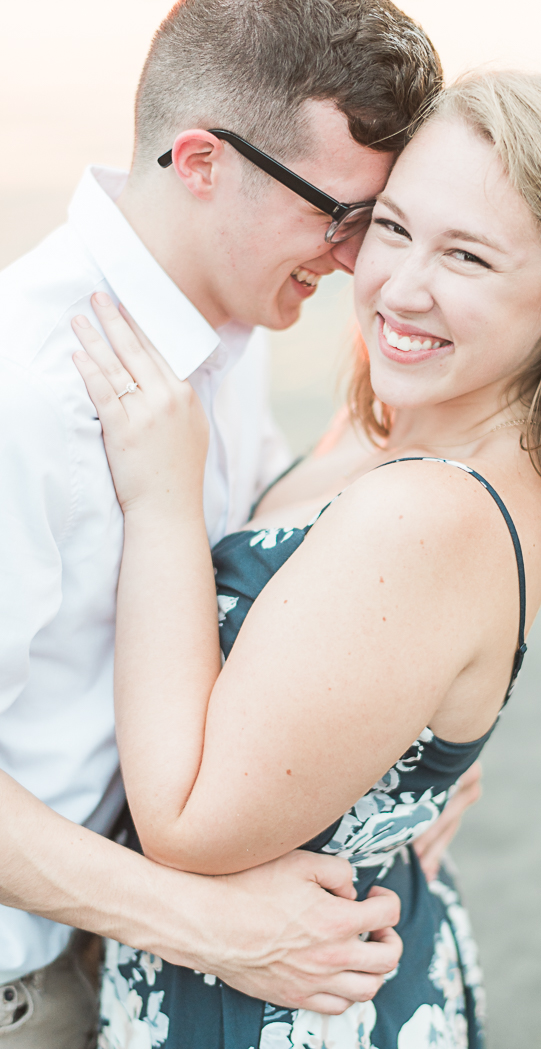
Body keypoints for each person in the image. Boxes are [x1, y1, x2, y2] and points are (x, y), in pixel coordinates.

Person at [73, 69, 541, 1047]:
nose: (401, 285)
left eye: (468, 257)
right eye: (391, 226)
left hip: (274, 1006)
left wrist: (161, 499)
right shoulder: (413, 418)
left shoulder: (430, 511)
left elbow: (184, 822)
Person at [0, 1, 467, 1043]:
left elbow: (257, 574)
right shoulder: (22, 394)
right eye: (335, 213)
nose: (354, 260)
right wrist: (214, 926)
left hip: (120, 958)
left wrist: (415, 745)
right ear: (202, 160)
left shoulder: (225, 317)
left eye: (374, 220)